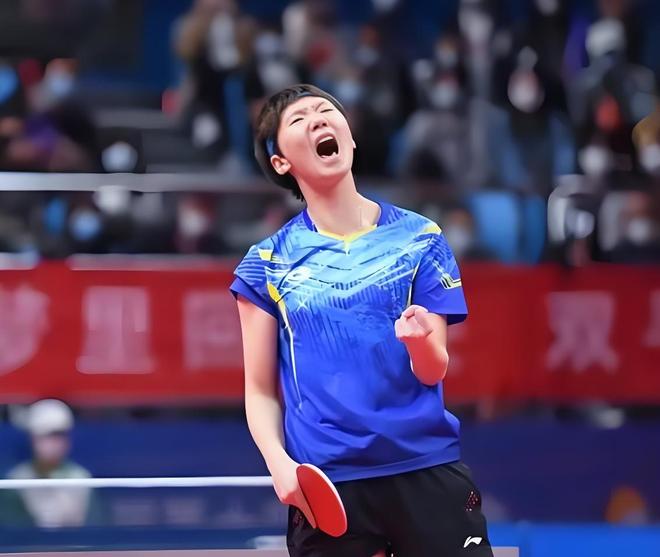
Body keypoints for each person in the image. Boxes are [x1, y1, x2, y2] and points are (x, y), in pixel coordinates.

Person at [230, 84, 493, 557]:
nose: (317, 119)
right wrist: (278, 464)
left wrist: (419, 342)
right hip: (331, 482)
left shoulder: (420, 238)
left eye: (325, 111)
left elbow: (434, 369)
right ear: (281, 162)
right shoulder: (266, 263)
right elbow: (260, 389)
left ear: (349, 137)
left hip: (425, 469)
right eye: (298, 120)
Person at [0, 399, 100, 528]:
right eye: (47, 435)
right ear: (33, 439)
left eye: (60, 435)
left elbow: (96, 525)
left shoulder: (82, 478)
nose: (54, 443)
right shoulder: (16, 480)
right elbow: (13, 529)